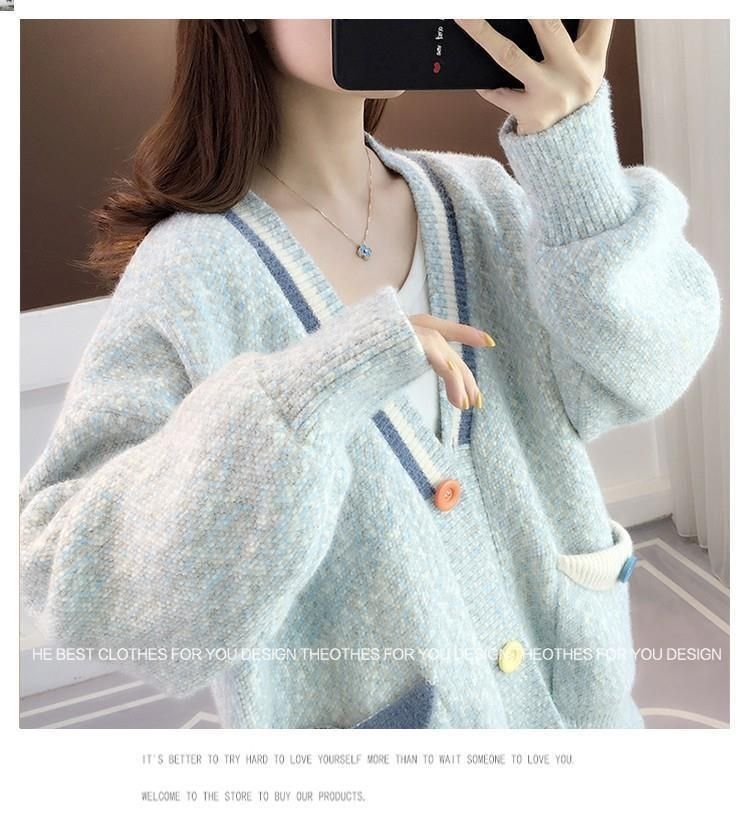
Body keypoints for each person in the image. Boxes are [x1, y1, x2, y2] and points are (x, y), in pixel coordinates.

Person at [19, 19, 721, 729]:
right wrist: (309, 394)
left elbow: (645, 370)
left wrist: (575, 162)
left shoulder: (480, 197)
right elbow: (65, 576)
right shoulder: (190, 274)